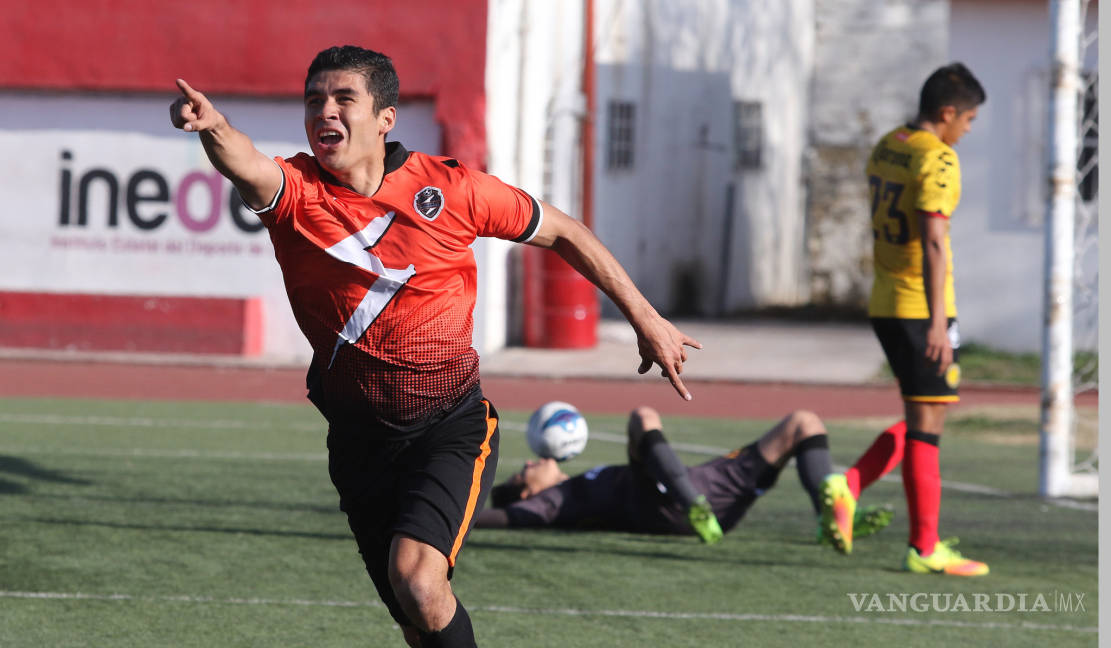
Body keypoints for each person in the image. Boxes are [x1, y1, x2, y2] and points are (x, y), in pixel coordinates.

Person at [169, 45, 700, 647]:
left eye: (345, 99)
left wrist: (645, 317)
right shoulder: (297, 193)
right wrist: (214, 129)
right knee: (416, 616)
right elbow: (247, 165)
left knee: (418, 582)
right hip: (357, 444)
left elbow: (564, 231)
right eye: (315, 99)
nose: (326, 112)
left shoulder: (451, 189)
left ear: (385, 118)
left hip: (449, 425)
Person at [835, 62, 989, 576]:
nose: (967, 131)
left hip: (885, 302)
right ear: (947, 113)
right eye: (967, 120)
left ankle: (852, 485)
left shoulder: (887, 143)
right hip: (920, 308)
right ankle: (924, 547)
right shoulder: (938, 160)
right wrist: (939, 323)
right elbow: (933, 241)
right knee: (928, 425)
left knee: (926, 415)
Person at [476, 406, 893, 553]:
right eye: (523, 473)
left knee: (804, 422)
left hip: (705, 489)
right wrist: (434, 517)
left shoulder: (568, 490)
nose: (530, 463)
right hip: (664, 500)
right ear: (528, 494)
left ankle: (832, 516)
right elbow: (504, 519)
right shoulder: (554, 503)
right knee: (642, 417)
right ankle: (693, 502)